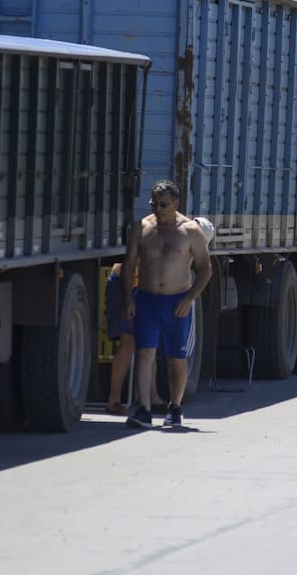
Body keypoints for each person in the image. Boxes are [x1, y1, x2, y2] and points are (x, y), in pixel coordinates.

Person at [123, 180, 212, 429]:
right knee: (145, 354)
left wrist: (189, 298)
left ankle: (175, 406)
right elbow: (129, 265)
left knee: (176, 358)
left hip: (176, 303)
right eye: (153, 203)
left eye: (163, 204)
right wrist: (128, 298)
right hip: (147, 300)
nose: (158, 209)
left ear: (176, 203)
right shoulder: (141, 228)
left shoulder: (190, 231)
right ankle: (144, 408)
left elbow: (205, 269)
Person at [104, 263, 164, 415]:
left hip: (146, 287)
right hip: (126, 284)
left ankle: (152, 397)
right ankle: (114, 399)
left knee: (149, 344)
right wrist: (128, 298)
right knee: (128, 342)